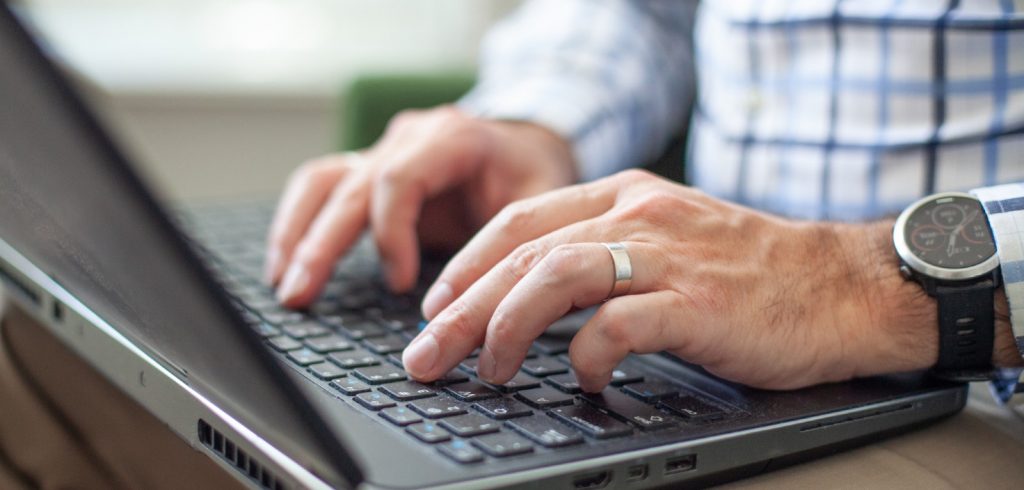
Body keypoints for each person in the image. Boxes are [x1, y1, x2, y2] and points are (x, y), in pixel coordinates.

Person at [265, 0, 1024, 395]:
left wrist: (862, 284)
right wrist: (537, 125)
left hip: (982, 400)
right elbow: (648, 13)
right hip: (689, 353)